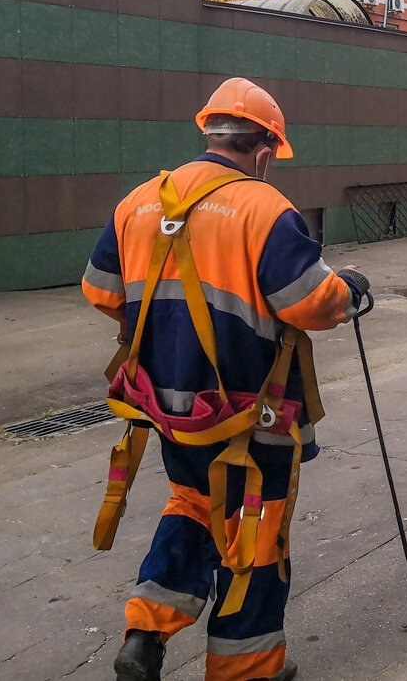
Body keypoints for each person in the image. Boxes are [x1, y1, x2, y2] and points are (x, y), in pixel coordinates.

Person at [82, 77, 368, 681]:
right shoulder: (267, 210)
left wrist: (167, 328)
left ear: (209, 134)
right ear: (264, 152)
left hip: (167, 407)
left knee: (192, 503)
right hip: (250, 413)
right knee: (256, 527)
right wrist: (350, 290)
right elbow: (311, 303)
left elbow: (103, 291)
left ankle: (145, 631)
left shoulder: (138, 202)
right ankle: (247, 669)